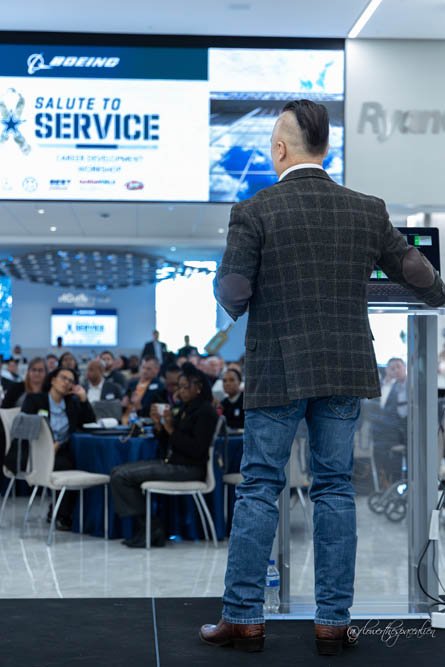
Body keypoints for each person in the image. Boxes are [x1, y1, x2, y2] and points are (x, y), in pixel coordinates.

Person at [199, 99, 445, 655]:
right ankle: (333, 622)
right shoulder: (366, 209)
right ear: (326, 149)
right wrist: (438, 294)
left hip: (277, 368)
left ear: (279, 150)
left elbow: (233, 291)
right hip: (344, 365)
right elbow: (413, 268)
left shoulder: (254, 210)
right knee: (335, 488)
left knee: (260, 487)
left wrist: (236, 294)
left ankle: (244, 618)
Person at [110, 363, 217, 548]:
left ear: (198, 388)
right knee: (117, 472)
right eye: (179, 387)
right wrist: (160, 426)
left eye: (185, 387)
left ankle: (152, 528)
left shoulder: (205, 411)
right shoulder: (185, 408)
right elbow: (169, 441)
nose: (181, 391)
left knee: (121, 476)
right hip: (173, 462)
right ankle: (149, 527)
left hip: (189, 468)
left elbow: (196, 449)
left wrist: (170, 428)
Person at [16, 367, 96, 530]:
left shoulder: (71, 404)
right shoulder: (35, 400)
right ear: (53, 380)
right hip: (36, 453)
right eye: (63, 378)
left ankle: (61, 512)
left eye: (70, 381)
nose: (66, 383)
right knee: (67, 465)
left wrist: (83, 399)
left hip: (61, 450)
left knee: (76, 463)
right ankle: (61, 515)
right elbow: (23, 428)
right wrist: (47, 444)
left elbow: (88, 423)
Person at [370, 357, 407, 487]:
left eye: (398, 367)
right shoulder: (378, 386)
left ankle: (395, 487)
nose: (395, 370)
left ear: (405, 368)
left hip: (397, 434)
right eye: (392, 368)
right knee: (381, 464)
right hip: (378, 433)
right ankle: (384, 487)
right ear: (386, 370)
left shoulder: (405, 386)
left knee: (395, 464)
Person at [121, 357, 163, 421]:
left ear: (157, 369)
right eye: (143, 367)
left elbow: (156, 411)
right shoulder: (132, 383)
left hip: (144, 420)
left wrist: (139, 406)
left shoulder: (160, 387)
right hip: (125, 418)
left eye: (148, 369)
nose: (144, 371)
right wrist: (123, 404)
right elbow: (124, 402)